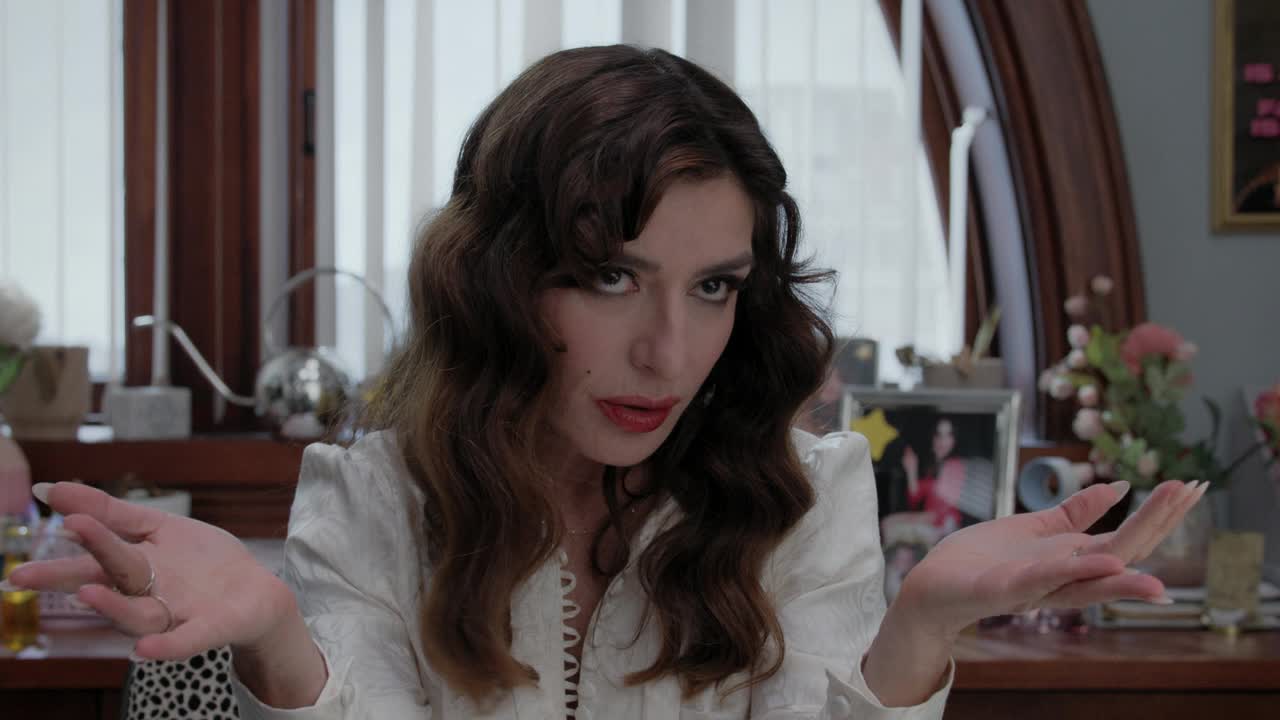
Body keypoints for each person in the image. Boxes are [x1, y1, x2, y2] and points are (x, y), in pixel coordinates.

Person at [5, 45, 1204, 719]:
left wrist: (919, 626)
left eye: (712, 287)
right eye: (609, 278)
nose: (667, 354)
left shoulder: (804, 492)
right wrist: (280, 645)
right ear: (499, 278)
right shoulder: (370, 497)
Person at [901, 418, 965, 533]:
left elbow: (942, 511)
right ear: (932, 438)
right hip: (931, 523)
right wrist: (911, 470)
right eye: (938, 434)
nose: (942, 440)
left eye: (948, 435)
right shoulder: (931, 467)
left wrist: (918, 519)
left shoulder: (955, 465)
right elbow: (913, 501)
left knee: (890, 527)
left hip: (946, 525)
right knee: (887, 525)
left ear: (954, 440)